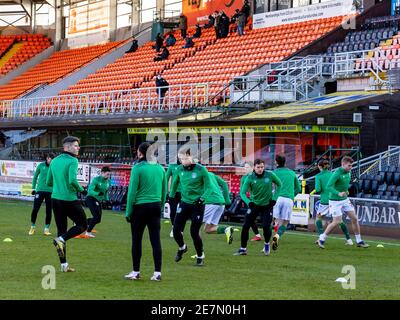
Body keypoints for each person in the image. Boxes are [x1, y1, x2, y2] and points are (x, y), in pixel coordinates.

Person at [124, 142, 167, 281]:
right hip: (155, 206)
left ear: (140, 153)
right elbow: (164, 191)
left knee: (137, 240)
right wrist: (159, 207)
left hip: (140, 208)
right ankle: (157, 273)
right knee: (155, 240)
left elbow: (132, 192)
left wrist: (128, 212)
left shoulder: (137, 168)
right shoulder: (160, 168)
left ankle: (136, 272)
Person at [46, 136, 88, 273]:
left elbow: (48, 182)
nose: (78, 148)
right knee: (83, 225)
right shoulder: (73, 160)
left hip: (55, 199)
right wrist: (83, 190)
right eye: (76, 146)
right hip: (69, 199)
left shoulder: (54, 161)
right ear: (67, 147)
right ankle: (61, 239)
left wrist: (59, 185)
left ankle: (64, 265)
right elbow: (72, 180)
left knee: (61, 231)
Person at [169, 149, 212, 266]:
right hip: (184, 203)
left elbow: (209, 187)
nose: (183, 161)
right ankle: (182, 247)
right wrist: (171, 196)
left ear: (192, 157)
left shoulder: (201, 169)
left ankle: (200, 256)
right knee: (176, 230)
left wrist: (202, 198)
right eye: (181, 159)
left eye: (186, 158)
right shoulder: (178, 169)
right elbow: (175, 183)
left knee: (194, 232)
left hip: (197, 205)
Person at [317, 156, 369, 249]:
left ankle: (359, 241)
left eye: (351, 165)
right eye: (349, 165)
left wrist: (346, 191)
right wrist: (338, 193)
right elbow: (328, 187)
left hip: (345, 200)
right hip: (334, 201)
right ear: (343, 164)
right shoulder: (337, 173)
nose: (350, 167)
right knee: (336, 221)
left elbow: (344, 186)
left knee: (354, 218)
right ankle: (322, 238)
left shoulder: (348, 173)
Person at [235, 159, 281, 256]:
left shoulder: (270, 175)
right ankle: (243, 249)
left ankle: (267, 244)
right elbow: (242, 193)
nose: (260, 169)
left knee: (266, 227)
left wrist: (274, 199)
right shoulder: (250, 178)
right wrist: (249, 202)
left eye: (262, 167)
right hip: (254, 205)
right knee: (246, 226)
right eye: (258, 167)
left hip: (267, 206)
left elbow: (279, 185)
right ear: (254, 168)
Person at [312, 160, 353, 245]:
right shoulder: (333, 174)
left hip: (325, 201)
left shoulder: (318, 176)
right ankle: (349, 240)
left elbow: (318, 189)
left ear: (319, 167)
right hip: (336, 199)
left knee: (318, 218)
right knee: (339, 220)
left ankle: (321, 238)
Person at [271, 155, 301, 251]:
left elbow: (270, 186)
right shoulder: (292, 173)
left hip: (277, 198)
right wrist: (292, 195)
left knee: (275, 220)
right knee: (285, 222)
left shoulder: (274, 173)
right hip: (288, 199)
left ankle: (271, 237)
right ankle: (277, 236)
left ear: (276, 162)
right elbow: (298, 188)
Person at [228, 161, 262, 241]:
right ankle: (257, 235)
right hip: (248, 201)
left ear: (252, 168)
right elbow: (242, 191)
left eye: (247, 167)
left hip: (257, 200)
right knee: (249, 218)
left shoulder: (256, 177)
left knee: (249, 218)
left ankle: (258, 235)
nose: (245, 169)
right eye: (244, 167)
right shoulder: (243, 178)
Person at [203, 172, 233, 244]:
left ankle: (199, 253)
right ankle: (226, 229)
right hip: (220, 203)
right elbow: (224, 184)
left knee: (196, 228)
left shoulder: (198, 174)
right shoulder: (210, 174)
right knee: (208, 229)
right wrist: (227, 200)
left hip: (210, 203)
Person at [29, 153, 55, 236]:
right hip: (40, 190)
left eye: (53, 159)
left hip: (50, 192)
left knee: (49, 211)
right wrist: (33, 188)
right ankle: (32, 227)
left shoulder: (54, 167)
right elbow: (35, 177)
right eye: (50, 159)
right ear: (47, 158)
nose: (51, 160)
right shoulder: (41, 165)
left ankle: (46, 229)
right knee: (35, 209)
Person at [83, 166, 111, 238]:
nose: (108, 176)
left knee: (98, 220)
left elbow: (106, 192)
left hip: (98, 200)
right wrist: (97, 193)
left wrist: (107, 200)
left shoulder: (108, 182)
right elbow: (90, 190)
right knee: (96, 216)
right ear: (102, 173)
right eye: (107, 174)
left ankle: (80, 222)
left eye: (109, 174)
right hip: (91, 198)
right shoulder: (96, 180)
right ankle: (88, 232)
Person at [165, 158, 182, 237]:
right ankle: (174, 227)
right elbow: (166, 178)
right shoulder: (172, 166)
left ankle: (180, 229)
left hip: (184, 193)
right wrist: (165, 192)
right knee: (173, 211)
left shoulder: (186, 166)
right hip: (173, 193)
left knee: (182, 212)